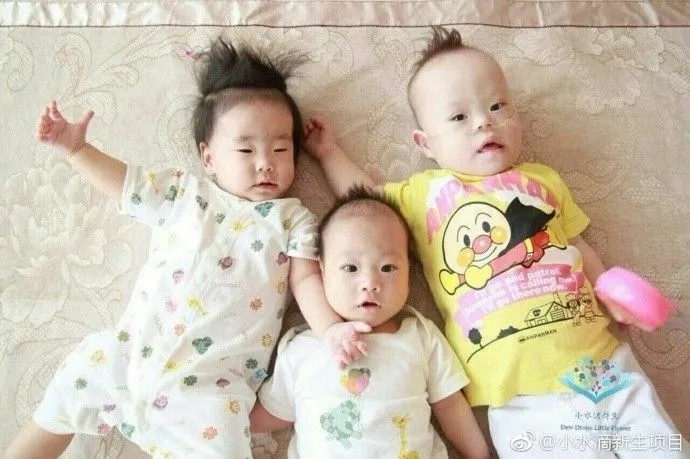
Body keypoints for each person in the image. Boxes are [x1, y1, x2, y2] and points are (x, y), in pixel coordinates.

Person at [303, 27, 687, 457]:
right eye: (458, 118)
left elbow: (578, 243)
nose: (484, 121)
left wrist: (609, 292)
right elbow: (365, 202)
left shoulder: (544, 180)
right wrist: (329, 153)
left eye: (497, 106)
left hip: (603, 361)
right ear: (425, 144)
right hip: (520, 395)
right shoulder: (422, 195)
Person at [5, 37, 365, 459]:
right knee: (66, 391)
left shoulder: (293, 220)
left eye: (281, 149)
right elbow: (126, 186)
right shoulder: (184, 193)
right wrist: (77, 149)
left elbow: (306, 282)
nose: (265, 162)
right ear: (208, 157)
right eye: (245, 149)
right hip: (129, 357)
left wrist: (330, 329)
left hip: (210, 391)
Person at [249, 186, 490, 459]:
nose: (370, 283)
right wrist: (221, 415)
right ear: (322, 271)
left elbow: (450, 406)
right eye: (350, 268)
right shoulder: (301, 348)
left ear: (409, 271)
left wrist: (480, 455)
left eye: (387, 268)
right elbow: (273, 413)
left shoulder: (420, 336)